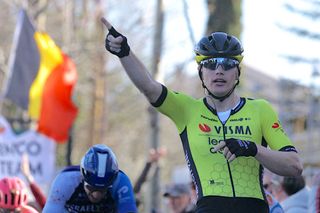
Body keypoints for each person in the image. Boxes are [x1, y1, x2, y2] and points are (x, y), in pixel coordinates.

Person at [101, 17, 303, 213]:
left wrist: (252, 148)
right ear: (201, 72)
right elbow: (149, 87)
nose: (219, 70)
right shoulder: (188, 109)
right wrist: (124, 53)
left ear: (237, 72)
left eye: (227, 63)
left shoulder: (260, 109)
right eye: (211, 63)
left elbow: (294, 165)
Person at [43, 144, 137, 213]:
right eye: (91, 188)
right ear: (83, 177)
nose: (96, 195)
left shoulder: (121, 182)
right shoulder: (66, 181)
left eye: (103, 189)